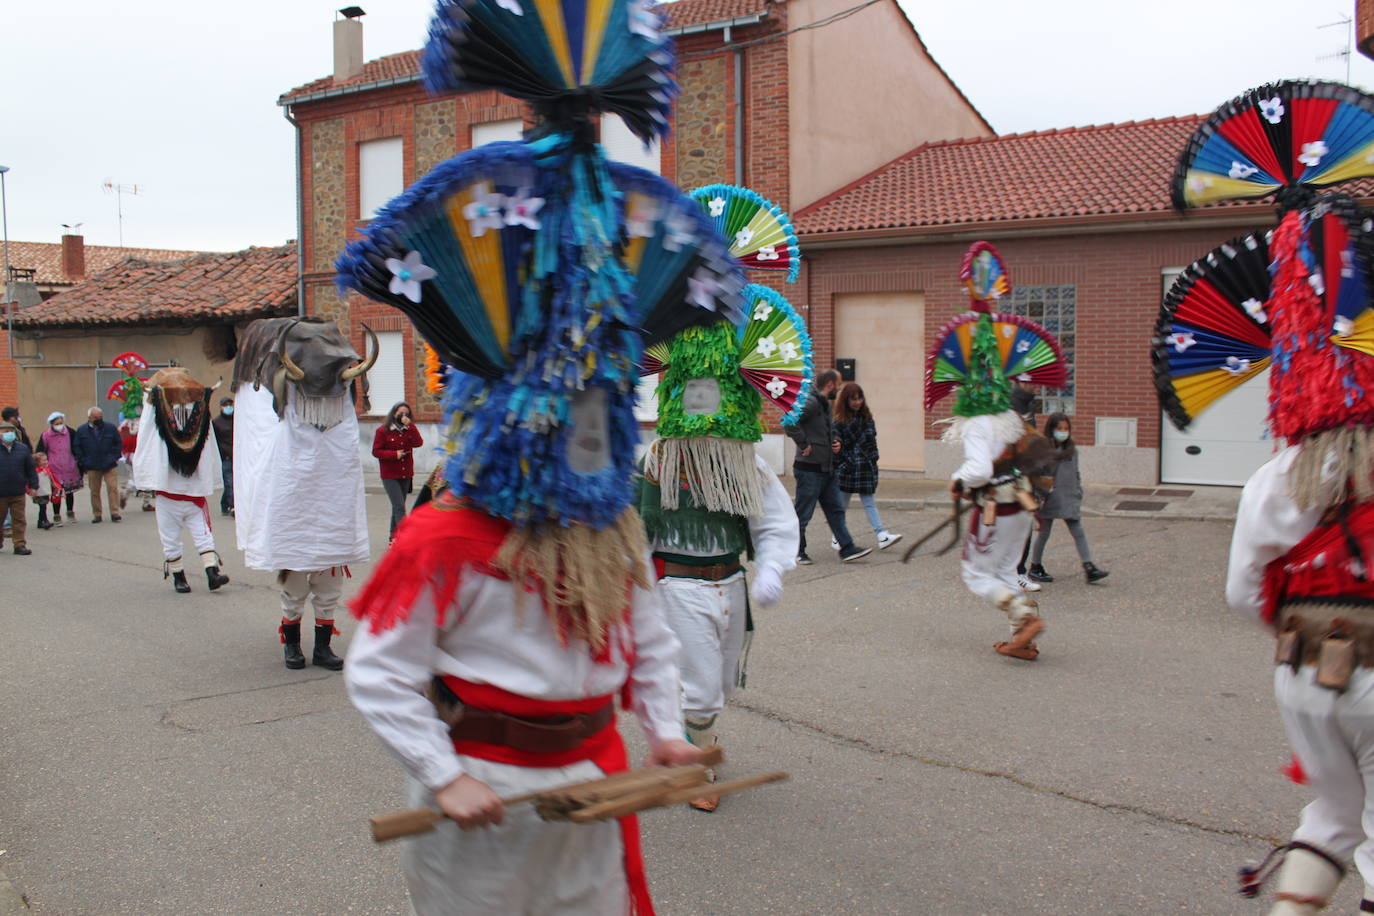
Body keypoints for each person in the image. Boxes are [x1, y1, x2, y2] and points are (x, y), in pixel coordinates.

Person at [333, 0, 740, 897]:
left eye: (602, 412)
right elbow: (382, 671)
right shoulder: (441, 542)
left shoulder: (610, 532)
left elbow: (647, 640)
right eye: (567, 414)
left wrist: (664, 732)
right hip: (486, 797)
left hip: (592, 782)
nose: (589, 436)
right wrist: (449, 775)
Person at [637, 299, 803, 812]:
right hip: (678, 586)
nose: (703, 404)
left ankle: (689, 743)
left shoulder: (745, 462)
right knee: (703, 688)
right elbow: (633, 535)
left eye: (712, 392)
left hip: (730, 581)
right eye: (694, 392)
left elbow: (774, 521)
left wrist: (772, 566)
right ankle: (694, 766)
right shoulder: (657, 459)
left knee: (721, 685)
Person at [928, 242, 1067, 661]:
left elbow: (980, 466)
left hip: (996, 508)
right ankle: (1024, 640)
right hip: (1022, 505)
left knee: (976, 574)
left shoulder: (977, 423)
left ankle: (1024, 616)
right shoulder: (1008, 416)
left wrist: (957, 481)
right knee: (1009, 571)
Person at [133, 369, 230, 593]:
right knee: (171, 537)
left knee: (204, 535)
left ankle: (212, 573)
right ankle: (179, 576)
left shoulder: (199, 422)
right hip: (168, 495)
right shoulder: (159, 425)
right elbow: (150, 418)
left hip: (193, 494)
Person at [784, 368, 870, 565]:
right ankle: (797, 551)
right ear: (830, 384)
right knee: (803, 513)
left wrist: (837, 440)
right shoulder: (811, 402)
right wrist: (803, 444)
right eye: (838, 384)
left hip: (826, 467)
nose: (839, 388)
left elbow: (830, 429)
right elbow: (789, 422)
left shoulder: (824, 404)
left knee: (835, 510)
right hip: (809, 468)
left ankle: (847, 549)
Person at [1027, 414, 1108, 585]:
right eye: (1059, 429)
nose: (1063, 432)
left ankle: (1089, 566)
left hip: (1069, 496)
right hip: (1049, 497)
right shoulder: (1044, 450)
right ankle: (1035, 566)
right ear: (1051, 429)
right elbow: (1037, 474)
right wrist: (1040, 493)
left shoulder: (1072, 450)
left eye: (1066, 428)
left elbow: (1075, 472)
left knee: (1078, 531)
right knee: (1044, 533)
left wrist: (1078, 491)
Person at [833, 382, 902, 551]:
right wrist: (844, 462)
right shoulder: (839, 421)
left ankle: (881, 535)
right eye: (853, 399)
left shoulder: (867, 418)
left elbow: (872, 443)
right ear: (845, 400)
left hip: (865, 468)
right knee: (842, 505)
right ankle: (837, 537)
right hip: (848, 469)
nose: (857, 402)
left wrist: (873, 460)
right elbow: (836, 444)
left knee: (869, 502)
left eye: (859, 398)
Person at [372, 401, 423, 541]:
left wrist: (410, 425)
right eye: (401, 413)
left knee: (398, 507)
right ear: (394, 413)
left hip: (405, 473)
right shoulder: (383, 430)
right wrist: (394, 455)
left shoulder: (408, 430)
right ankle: (405, 538)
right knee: (399, 506)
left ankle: (393, 537)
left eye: (407, 414)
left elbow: (419, 443)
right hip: (390, 475)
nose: (403, 416)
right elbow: (376, 451)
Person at [72, 406, 122, 523]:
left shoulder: (110, 428)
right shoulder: (82, 430)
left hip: (109, 464)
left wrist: (114, 457)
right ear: (89, 418)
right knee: (94, 490)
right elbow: (77, 447)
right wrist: (83, 461)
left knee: (112, 488)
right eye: (95, 418)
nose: (98, 419)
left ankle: (115, 512)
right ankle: (97, 513)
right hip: (92, 465)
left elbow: (118, 443)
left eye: (100, 417)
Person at [36, 412, 81, 524]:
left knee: (69, 491)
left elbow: (77, 447)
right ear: (51, 424)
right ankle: (57, 515)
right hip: (54, 468)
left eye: (61, 423)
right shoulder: (46, 435)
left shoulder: (70, 432)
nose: (59, 425)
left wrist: (78, 461)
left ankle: (70, 513)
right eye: (57, 423)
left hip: (69, 466)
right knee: (56, 493)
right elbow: (40, 451)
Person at [0, 420, 37, 554]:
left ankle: (19, 544)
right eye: (5, 431)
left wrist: (33, 485)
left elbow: (30, 469)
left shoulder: (22, 449)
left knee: (19, 520)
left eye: (11, 431)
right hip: (1, 493)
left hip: (18, 492)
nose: (9, 434)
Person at [212, 397, 234, 516]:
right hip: (226, 457)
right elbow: (215, 442)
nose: (229, 407)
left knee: (233, 483)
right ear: (221, 406)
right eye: (226, 405)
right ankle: (232, 506)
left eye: (230, 404)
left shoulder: (238, 420)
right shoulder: (216, 423)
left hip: (237, 456)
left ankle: (225, 503)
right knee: (229, 482)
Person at [32, 452, 63, 530]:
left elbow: (52, 479)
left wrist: (56, 486)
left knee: (43, 506)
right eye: (43, 460)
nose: (46, 462)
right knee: (42, 506)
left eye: (46, 460)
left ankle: (40, 522)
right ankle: (45, 521)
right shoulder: (35, 471)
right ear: (37, 462)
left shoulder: (47, 469)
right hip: (38, 492)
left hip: (45, 491)